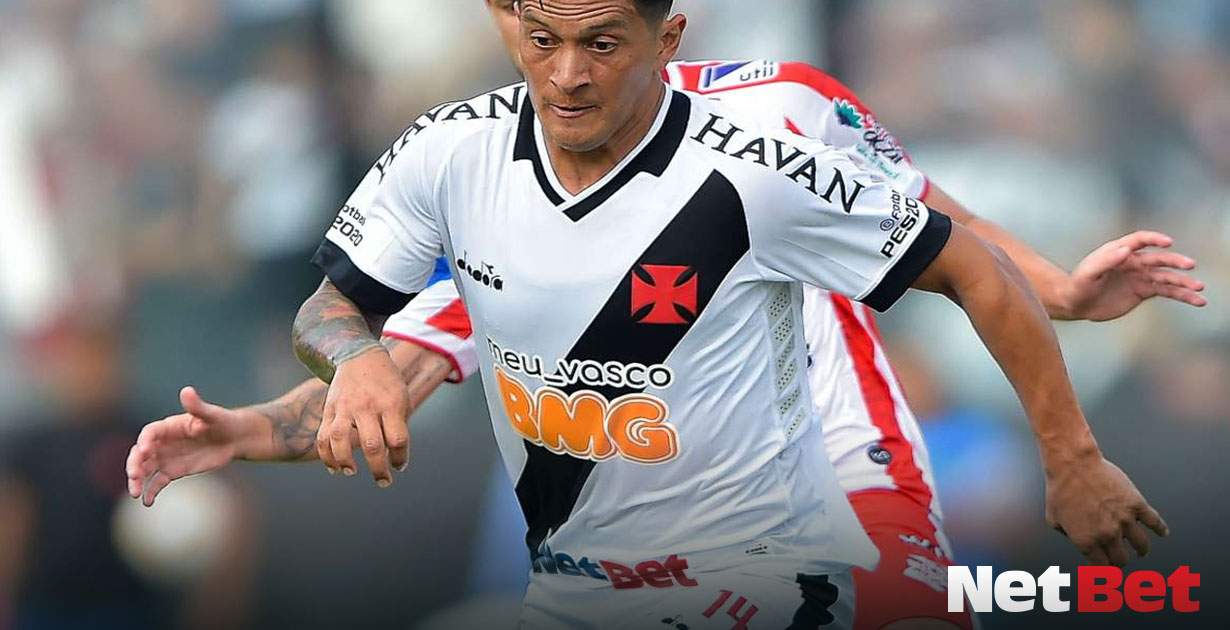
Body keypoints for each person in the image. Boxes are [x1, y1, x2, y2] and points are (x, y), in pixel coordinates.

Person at [127, 1, 1195, 628]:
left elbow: (933, 223)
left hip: (841, 489)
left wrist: (1058, 294)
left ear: (661, 32)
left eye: (600, 39)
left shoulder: (777, 117)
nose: (567, 70)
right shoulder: (480, 193)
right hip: (599, 576)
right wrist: (248, 430)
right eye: (541, 34)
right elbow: (384, 362)